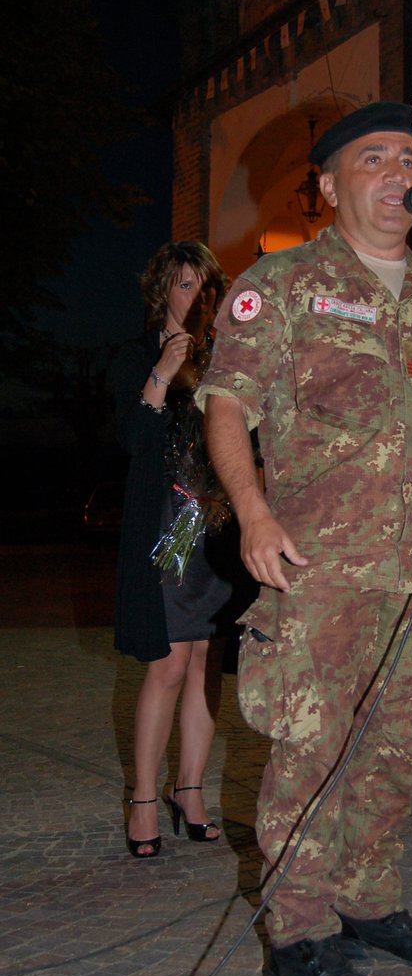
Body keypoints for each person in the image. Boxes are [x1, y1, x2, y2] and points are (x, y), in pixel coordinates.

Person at [197, 102, 412, 976]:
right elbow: (227, 403)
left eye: (408, 156)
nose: (395, 171)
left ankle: (371, 902)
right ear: (332, 186)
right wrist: (253, 513)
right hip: (318, 569)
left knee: (397, 750)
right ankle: (298, 932)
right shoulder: (284, 283)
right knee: (312, 750)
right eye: (371, 158)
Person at [113, 240, 246, 859]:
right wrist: (163, 374)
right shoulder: (138, 355)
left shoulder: (226, 359)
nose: (197, 297)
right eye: (186, 285)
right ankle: (143, 796)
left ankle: (188, 790)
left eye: (205, 287)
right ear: (163, 290)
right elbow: (131, 440)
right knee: (167, 663)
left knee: (203, 664)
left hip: (215, 530)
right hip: (165, 528)